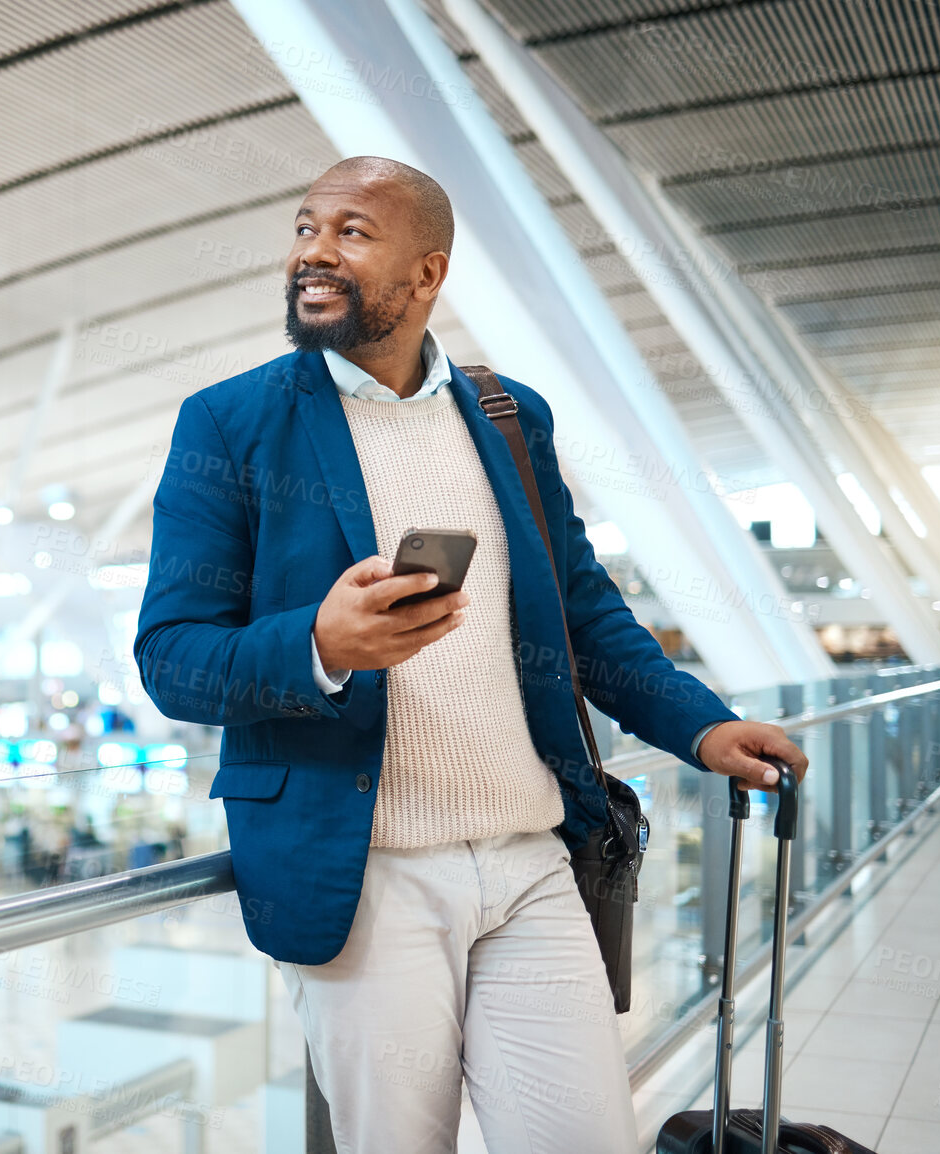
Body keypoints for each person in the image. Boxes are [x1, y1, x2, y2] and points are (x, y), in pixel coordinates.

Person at [134, 157, 810, 1154]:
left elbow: (582, 613)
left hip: (531, 857)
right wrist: (319, 643)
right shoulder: (231, 423)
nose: (313, 250)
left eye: (351, 232)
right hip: (361, 876)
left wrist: (701, 724)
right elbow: (171, 657)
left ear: (427, 273)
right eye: (304, 225)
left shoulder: (505, 415)